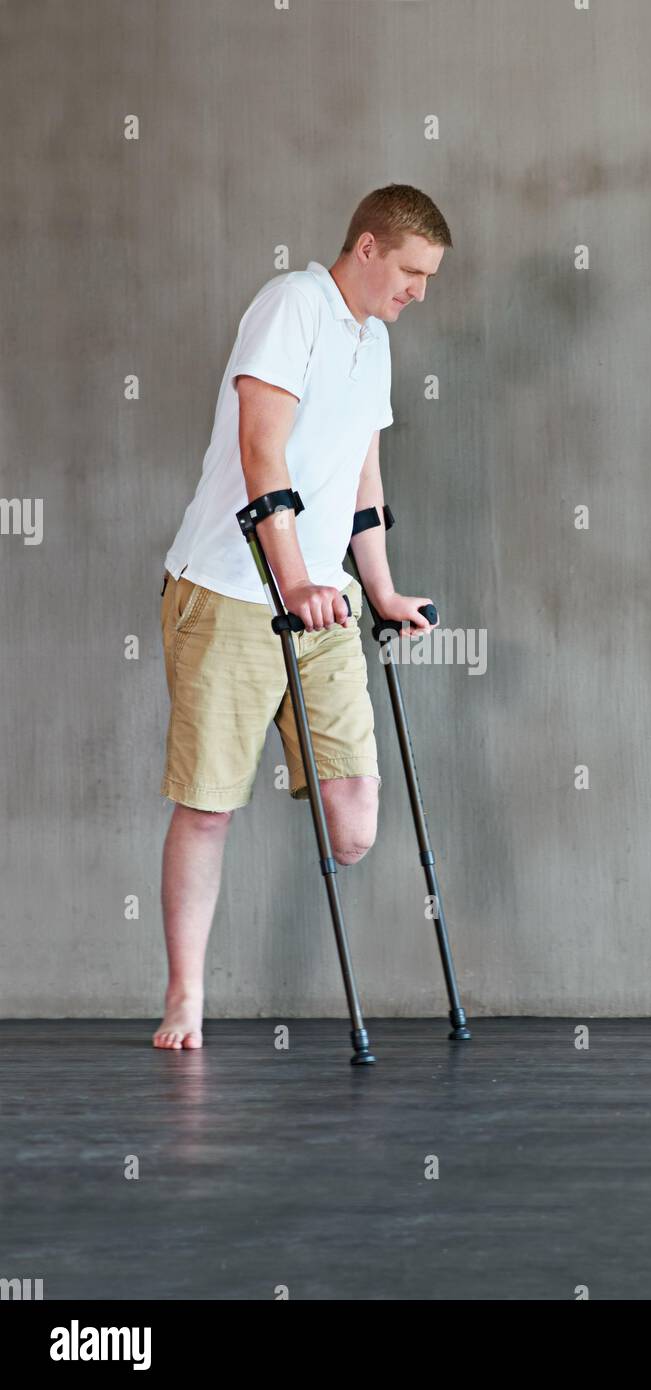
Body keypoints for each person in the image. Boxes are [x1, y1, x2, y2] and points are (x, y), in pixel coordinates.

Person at [153, 184, 452, 1049]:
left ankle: (297, 715)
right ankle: (185, 997)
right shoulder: (294, 305)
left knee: (354, 823)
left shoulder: (376, 341)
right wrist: (291, 580)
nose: (417, 291)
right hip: (230, 592)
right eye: (410, 271)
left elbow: (364, 480)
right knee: (209, 807)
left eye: (428, 277)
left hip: (323, 598)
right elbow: (261, 449)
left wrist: (381, 589)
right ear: (367, 248)